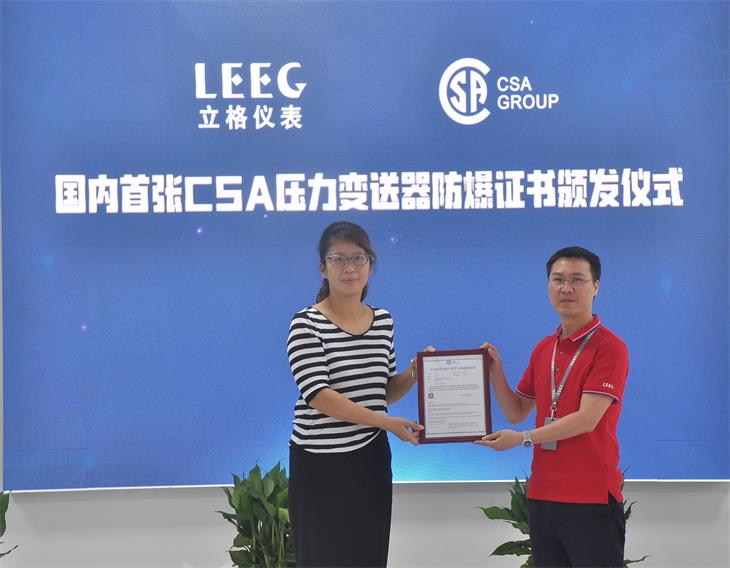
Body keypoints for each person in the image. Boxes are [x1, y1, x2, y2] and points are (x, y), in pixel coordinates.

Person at [476, 246, 629, 568]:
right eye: (558, 279)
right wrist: (495, 372)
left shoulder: (610, 347)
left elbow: (587, 419)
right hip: (543, 495)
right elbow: (517, 410)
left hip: (590, 497)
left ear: (595, 287)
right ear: (548, 286)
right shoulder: (544, 348)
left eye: (577, 279)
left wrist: (523, 438)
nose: (566, 288)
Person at [287, 221, 424, 568]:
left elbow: (382, 391)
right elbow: (319, 395)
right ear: (323, 268)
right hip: (319, 463)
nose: (350, 268)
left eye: (359, 258)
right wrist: (386, 422)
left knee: (369, 556)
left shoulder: (383, 321)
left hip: (370, 460)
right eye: (339, 259)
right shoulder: (306, 323)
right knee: (321, 559)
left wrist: (416, 371)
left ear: (370, 266)